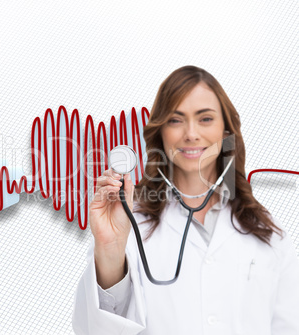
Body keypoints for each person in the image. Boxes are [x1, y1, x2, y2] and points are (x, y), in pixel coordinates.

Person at [72, 65, 299, 334]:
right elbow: (94, 330)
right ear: (161, 134)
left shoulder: (270, 235)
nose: (191, 133)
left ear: (227, 134)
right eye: (176, 120)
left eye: (205, 119)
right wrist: (110, 249)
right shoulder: (129, 223)